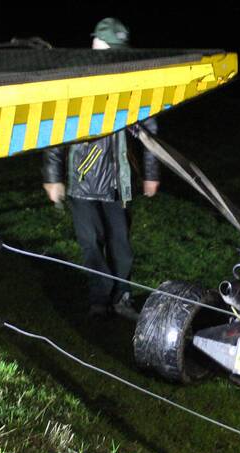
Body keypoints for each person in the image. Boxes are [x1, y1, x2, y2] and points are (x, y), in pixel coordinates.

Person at [41, 17, 160, 319]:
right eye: (111, 49)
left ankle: (122, 297)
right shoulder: (76, 82)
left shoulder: (134, 84)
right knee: (91, 243)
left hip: (120, 182)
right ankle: (99, 297)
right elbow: (56, 132)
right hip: (82, 182)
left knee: (121, 247)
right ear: (96, 46)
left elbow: (149, 132)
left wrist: (151, 173)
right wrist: (53, 177)